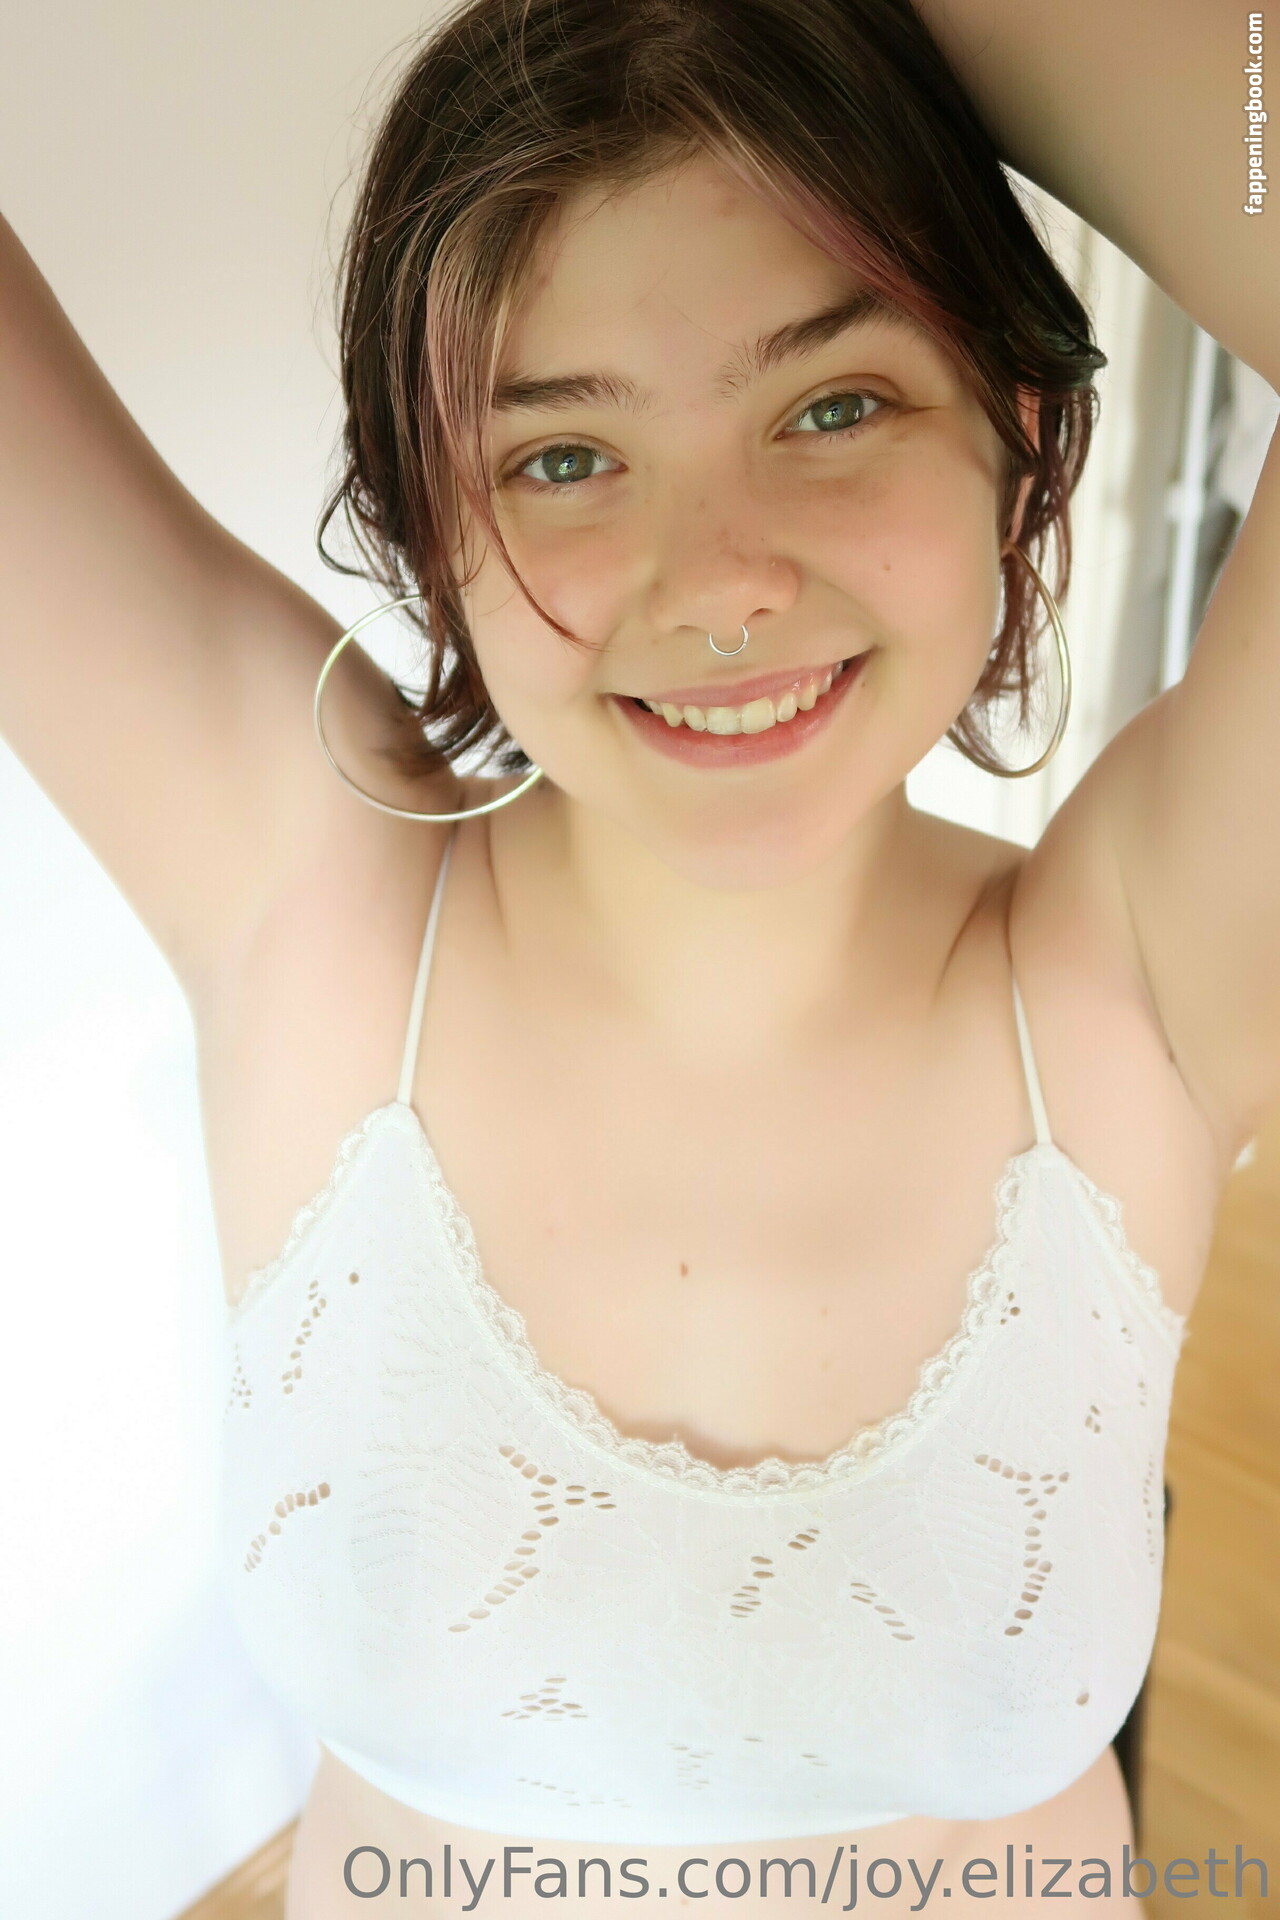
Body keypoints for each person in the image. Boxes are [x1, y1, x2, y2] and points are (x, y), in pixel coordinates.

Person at [2, 0, 1274, 1912]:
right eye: (565, 457)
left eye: (832, 407)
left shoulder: (1138, 992)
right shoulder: (321, 902)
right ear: (433, 528)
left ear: (1021, 435)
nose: (719, 581)